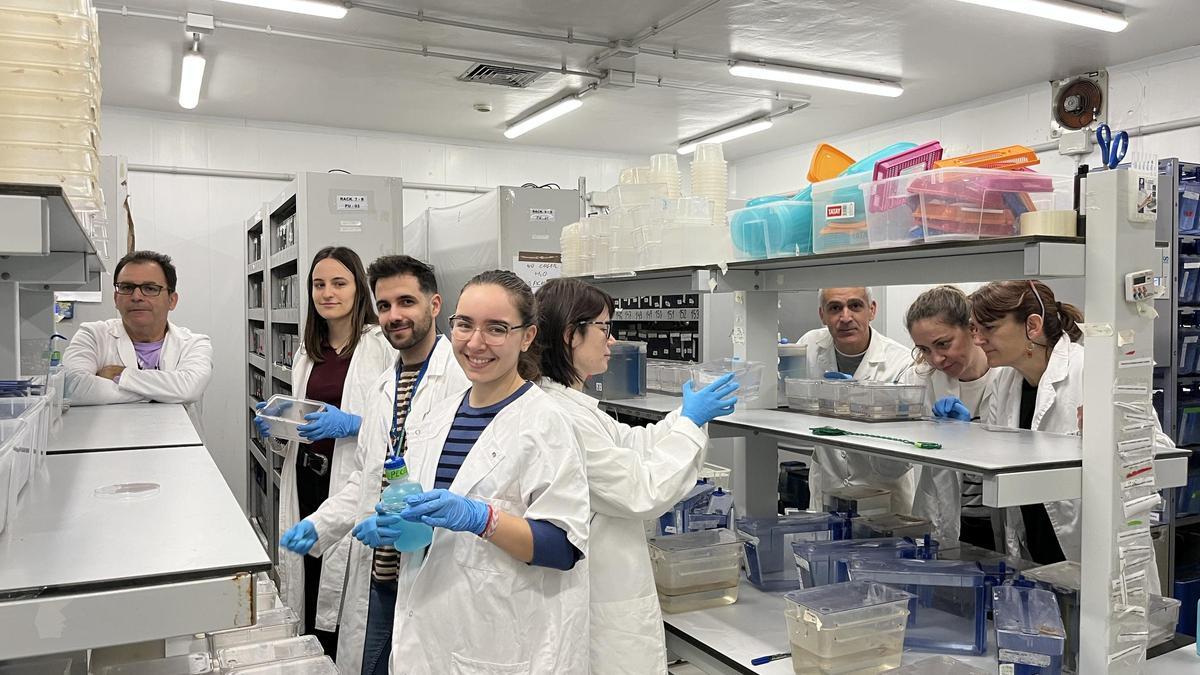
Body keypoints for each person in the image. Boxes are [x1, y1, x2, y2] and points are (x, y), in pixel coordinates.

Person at [355, 270, 591, 674]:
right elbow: (434, 528)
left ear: (527, 336)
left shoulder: (546, 423)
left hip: (501, 642)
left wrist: (482, 518)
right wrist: (405, 526)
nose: (475, 343)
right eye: (464, 325)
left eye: (496, 328)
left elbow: (563, 547)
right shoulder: (436, 415)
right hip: (427, 635)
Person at [533, 277, 738, 674]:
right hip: (597, 597)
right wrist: (692, 421)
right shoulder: (560, 416)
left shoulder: (572, 406)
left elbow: (632, 447)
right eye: (604, 328)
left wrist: (688, 415)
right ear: (569, 334)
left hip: (606, 585)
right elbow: (641, 491)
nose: (612, 341)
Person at [276, 255, 469, 675]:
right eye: (385, 306)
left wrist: (417, 519)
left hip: (431, 570)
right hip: (382, 571)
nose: (394, 315)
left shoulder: (459, 380)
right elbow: (365, 476)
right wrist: (322, 524)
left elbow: (469, 484)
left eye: (406, 302)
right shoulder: (386, 384)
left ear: (434, 305)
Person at [253, 247, 394, 659]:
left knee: (347, 591)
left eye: (339, 283)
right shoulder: (307, 350)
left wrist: (352, 424)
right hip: (308, 479)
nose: (327, 292)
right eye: (318, 284)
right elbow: (303, 419)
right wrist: (278, 430)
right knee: (311, 584)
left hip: (351, 480)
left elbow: (400, 428)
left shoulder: (379, 345)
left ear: (358, 289)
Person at [970, 280, 1173, 565]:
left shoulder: (1093, 370)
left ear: (1032, 325)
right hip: (1034, 548)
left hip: (1095, 553)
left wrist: (1114, 435)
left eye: (989, 328)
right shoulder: (1004, 381)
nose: (978, 340)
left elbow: (1163, 454)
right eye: (975, 329)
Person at [794, 287, 916, 513]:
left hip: (883, 494)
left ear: (872, 310)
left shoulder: (902, 363)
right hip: (828, 489)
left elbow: (906, 447)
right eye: (835, 308)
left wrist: (859, 396)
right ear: (822, 315)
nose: (845, 317)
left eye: (855, 306)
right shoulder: (808, 347)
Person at [62, 250, 213, 431]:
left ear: (172, 300)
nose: (136, 296)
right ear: (116, 298)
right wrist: (164, 393)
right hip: (111, 446)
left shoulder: (194, 343)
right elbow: (72, 387)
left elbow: (190, 388)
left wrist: (122, 375)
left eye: (150, 288)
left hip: (180, 448)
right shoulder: (93, 335)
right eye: (126, 287)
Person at [902, 285, 1002, 549]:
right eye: (924, 349)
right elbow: (893, 462)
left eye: (943, 344)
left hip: (1000, 515)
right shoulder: (918, 381)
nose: (936, 359)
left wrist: (970, 439)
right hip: (945, 516)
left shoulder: (1007, 375)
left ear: (972, 329)